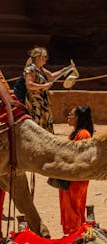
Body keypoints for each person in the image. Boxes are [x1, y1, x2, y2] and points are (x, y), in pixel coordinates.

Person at [59, 105, 94, 234]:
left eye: (71, 114)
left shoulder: (83, 134)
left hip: (77, 177)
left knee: (75, 206)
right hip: (70, 176)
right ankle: (73, 234)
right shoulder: (75, 134)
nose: (68, 116)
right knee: (70, 206)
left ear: (78, 118)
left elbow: (80, 157)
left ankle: (75, 235)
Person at [23, 47, 72, 132]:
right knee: (38, 121)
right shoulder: (30, 69)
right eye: (44, 56)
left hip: (43, 99)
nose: (46, 58)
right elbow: (29, 85)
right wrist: (43, 86)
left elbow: (51, 76)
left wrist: (66, 69)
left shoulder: (41, 68)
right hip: (35, 100)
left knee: (45, 120)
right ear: (38, 57)